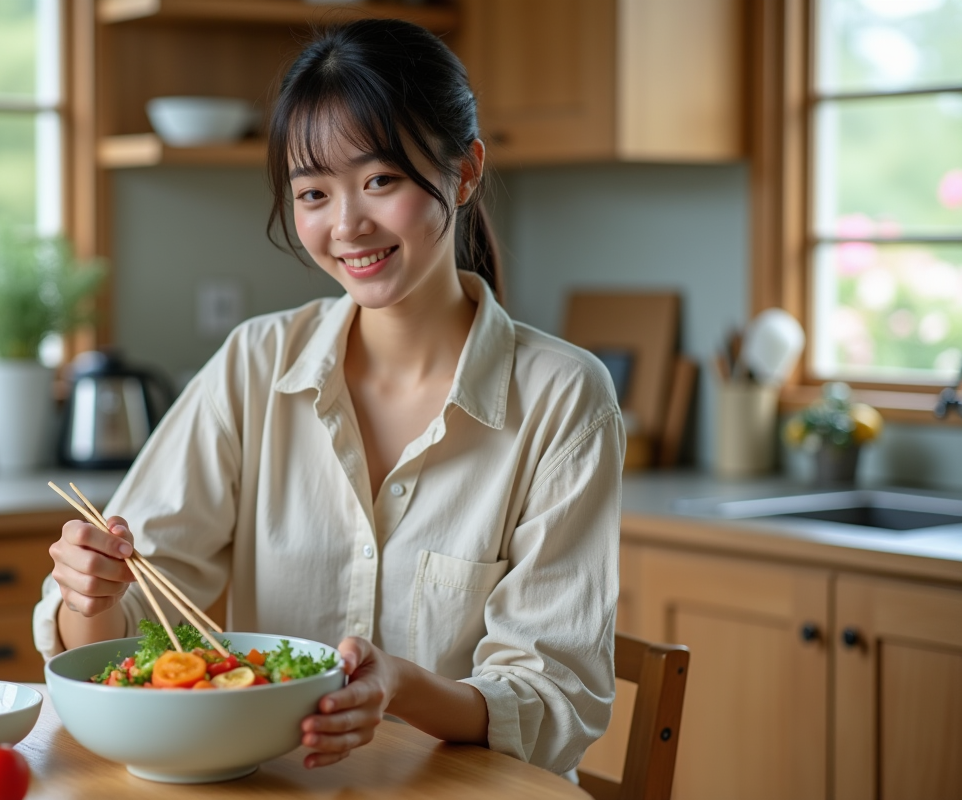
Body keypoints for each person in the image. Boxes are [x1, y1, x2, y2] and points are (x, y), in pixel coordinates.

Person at [35, 18, 623, 779]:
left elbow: (553, 702)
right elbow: (128, 628)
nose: (347, 225)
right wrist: (91, 595)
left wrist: (401, 688)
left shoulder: (564, 398)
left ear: (465, 171)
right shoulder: (256, 364)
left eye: (381, 180)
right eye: (314, 193)